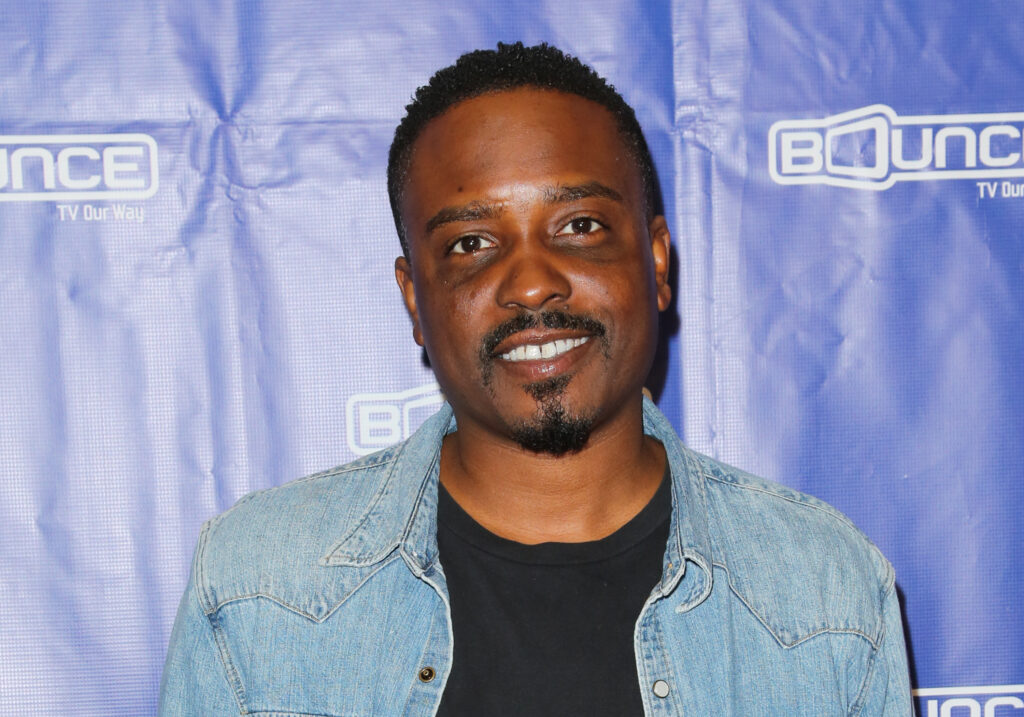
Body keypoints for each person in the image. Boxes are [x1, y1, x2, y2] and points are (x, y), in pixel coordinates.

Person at [159, 42, 912, 715]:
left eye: (579, 226)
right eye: (472, 242)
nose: (530, 283)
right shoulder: (257, 589)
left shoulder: (825, 593)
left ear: (655, 263)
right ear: (414, 298)